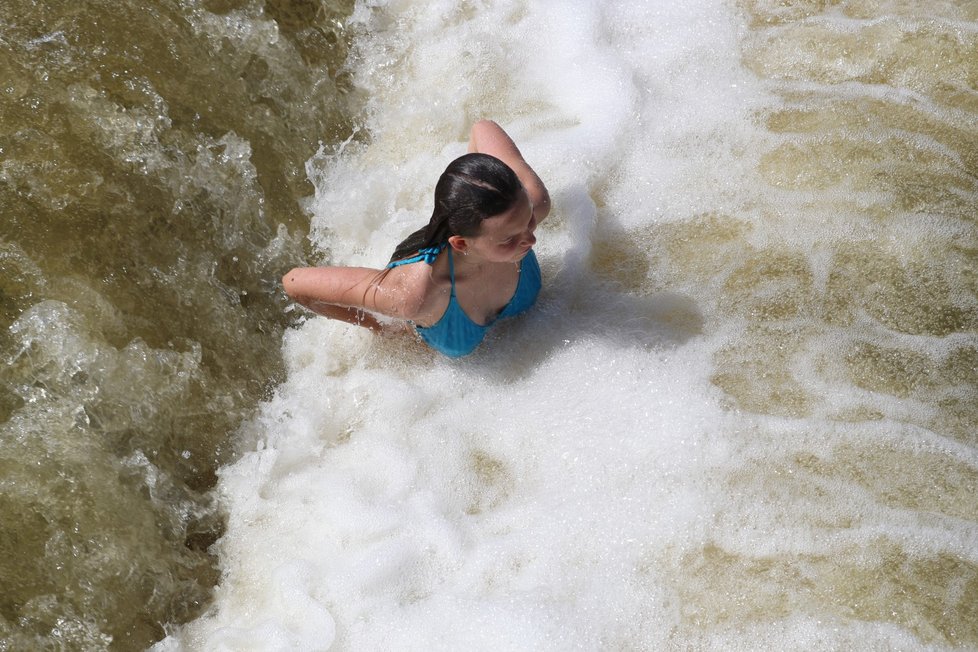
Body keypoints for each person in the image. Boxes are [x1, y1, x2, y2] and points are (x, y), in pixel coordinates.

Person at [282, 120, 551, 357]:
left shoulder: (533, 204)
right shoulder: (416, 296)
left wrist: (472, 203)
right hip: (421, 269)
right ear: (462, 243)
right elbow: (294, 282)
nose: (531, 239)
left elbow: (482, 128)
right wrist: (382, 329)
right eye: (509, 239)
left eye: (527, 220)